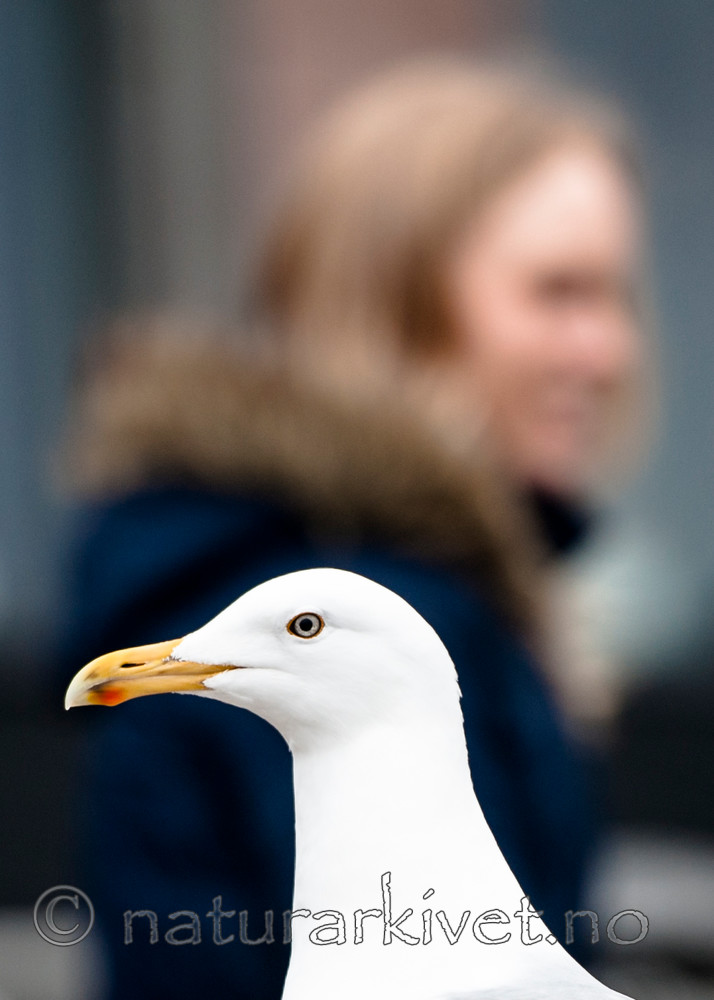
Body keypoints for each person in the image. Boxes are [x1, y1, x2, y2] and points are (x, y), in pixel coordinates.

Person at [60, 58, 646, 999]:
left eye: (617, 295)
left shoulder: (418, 589)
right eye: (557, 292)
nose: (609, 349)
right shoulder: (366, 599)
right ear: (396, 302)